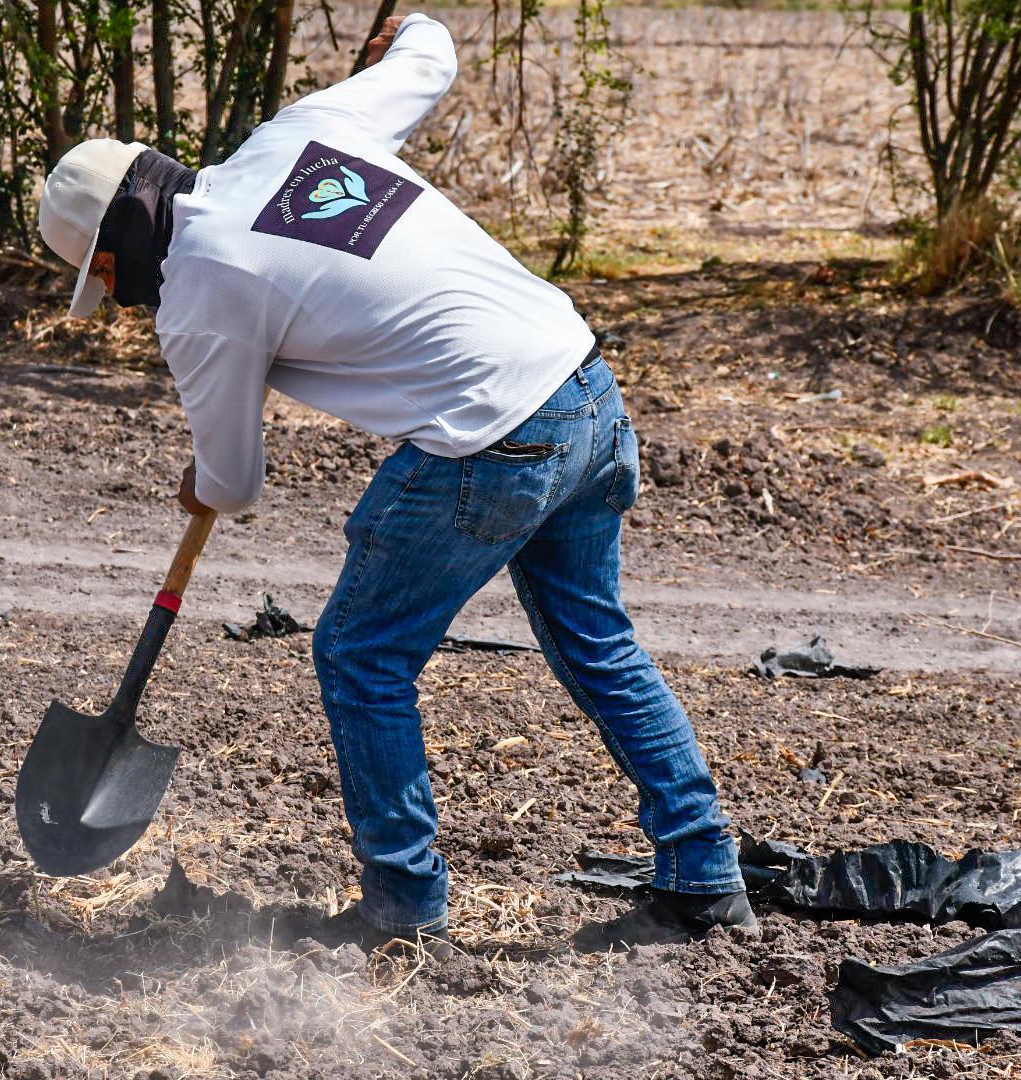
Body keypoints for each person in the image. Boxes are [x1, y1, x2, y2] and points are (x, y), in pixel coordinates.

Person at [37, 11, 757, 954]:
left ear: (111, 251)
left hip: (491, 438)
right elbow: (432, 55)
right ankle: (705, 878)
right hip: (582, 384)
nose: (120, 300)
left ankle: (405, 908)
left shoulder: (198, 291)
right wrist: (410, 23)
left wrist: (201, 483)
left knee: (360, 654)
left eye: (105, 280)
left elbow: (235, 479)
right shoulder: (297, 134)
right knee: (596, 641)